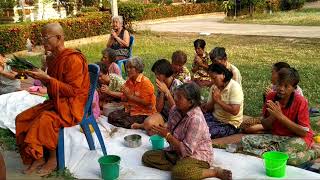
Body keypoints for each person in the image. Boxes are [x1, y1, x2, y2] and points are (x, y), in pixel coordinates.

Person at [15, 23, 90, 176]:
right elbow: (52, 87)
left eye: (46, 38)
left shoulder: (73, 59)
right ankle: (38, 157)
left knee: (45, 119)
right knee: (22, 118)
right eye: (42, 37)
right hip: (57, 101)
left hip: (72, 105)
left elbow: (73, 91)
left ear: (59, 37)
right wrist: (40, 78)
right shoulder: (52, 59)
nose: (43, 41)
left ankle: (53, 159)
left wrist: (48, 79)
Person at [142, 83, 232, 180]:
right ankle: (183, 167)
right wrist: (162, 131)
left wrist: (167, 135)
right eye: (175, 96)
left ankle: (214, 171)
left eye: (179, 97)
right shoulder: (174, 110)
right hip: (177, 152)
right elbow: (171, 131)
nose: (175, 99)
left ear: (191, 102)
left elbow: (187, 151)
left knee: (178, 174)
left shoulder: (196, 119)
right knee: (147, 157)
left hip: (196, 155)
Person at [241, 68, 319, 166]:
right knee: (245, 141)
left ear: (294, 88)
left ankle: (315, 152)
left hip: (298, 137)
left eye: (286, 86)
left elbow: (303, 132)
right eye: (279, 84)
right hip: (277, 137)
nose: (281, 88)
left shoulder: (301, 101)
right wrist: (273, 117)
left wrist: (281, 116)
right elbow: (265, 125)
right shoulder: (270, 97)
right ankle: (272, 151)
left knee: (286, 158)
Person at [131, 59, 182, 133]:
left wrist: (167, 92)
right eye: (155, 74)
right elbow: (158, 109)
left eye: (158, 74)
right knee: (149, 124)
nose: (156, 77)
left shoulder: (178, 86)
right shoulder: (161, 84)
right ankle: (145, 125)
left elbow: (177, 110)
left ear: (166, 73)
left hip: (177, 117)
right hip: (164, 115)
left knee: (153, 131)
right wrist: (162, 92)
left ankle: (143, 125)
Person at [108, 57, 157, 129]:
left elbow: (147, 102)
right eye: (127, 67)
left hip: (144, 113)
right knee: (111, 116)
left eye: (131, 67)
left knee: (125, 120)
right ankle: (133, 125)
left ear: (138, 69)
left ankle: (139, 125)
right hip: (131, 109)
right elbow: (124, 98)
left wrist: (130, 96)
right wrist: (124, 96)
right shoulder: (129, 81)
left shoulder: (145, 82)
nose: (127, 70)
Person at [202, 63, 244, 138]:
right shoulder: (214, 87)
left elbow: (235, 111)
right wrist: (214, 100)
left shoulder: (235, 87)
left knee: (204, 132)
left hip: (229, 124)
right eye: (211, 78)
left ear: (223, 75)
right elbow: (208, 108)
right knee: (193, 122)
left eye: (214, 78)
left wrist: (218, 101)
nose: (212, 81)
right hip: (214, 117)